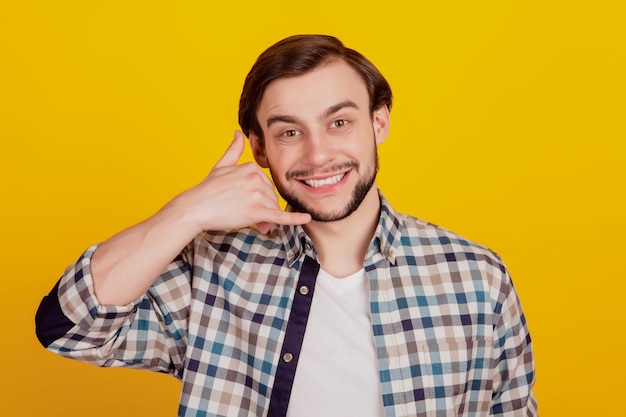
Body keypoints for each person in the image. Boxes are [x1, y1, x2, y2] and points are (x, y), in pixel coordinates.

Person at [35, 34, 538, 417]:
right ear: (259, 149)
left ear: (378, 122)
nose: (318, 155)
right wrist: (185, 212)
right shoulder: (212, 268)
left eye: (339, 122)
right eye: (289, 132)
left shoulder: (476, 277)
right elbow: (68, 328)